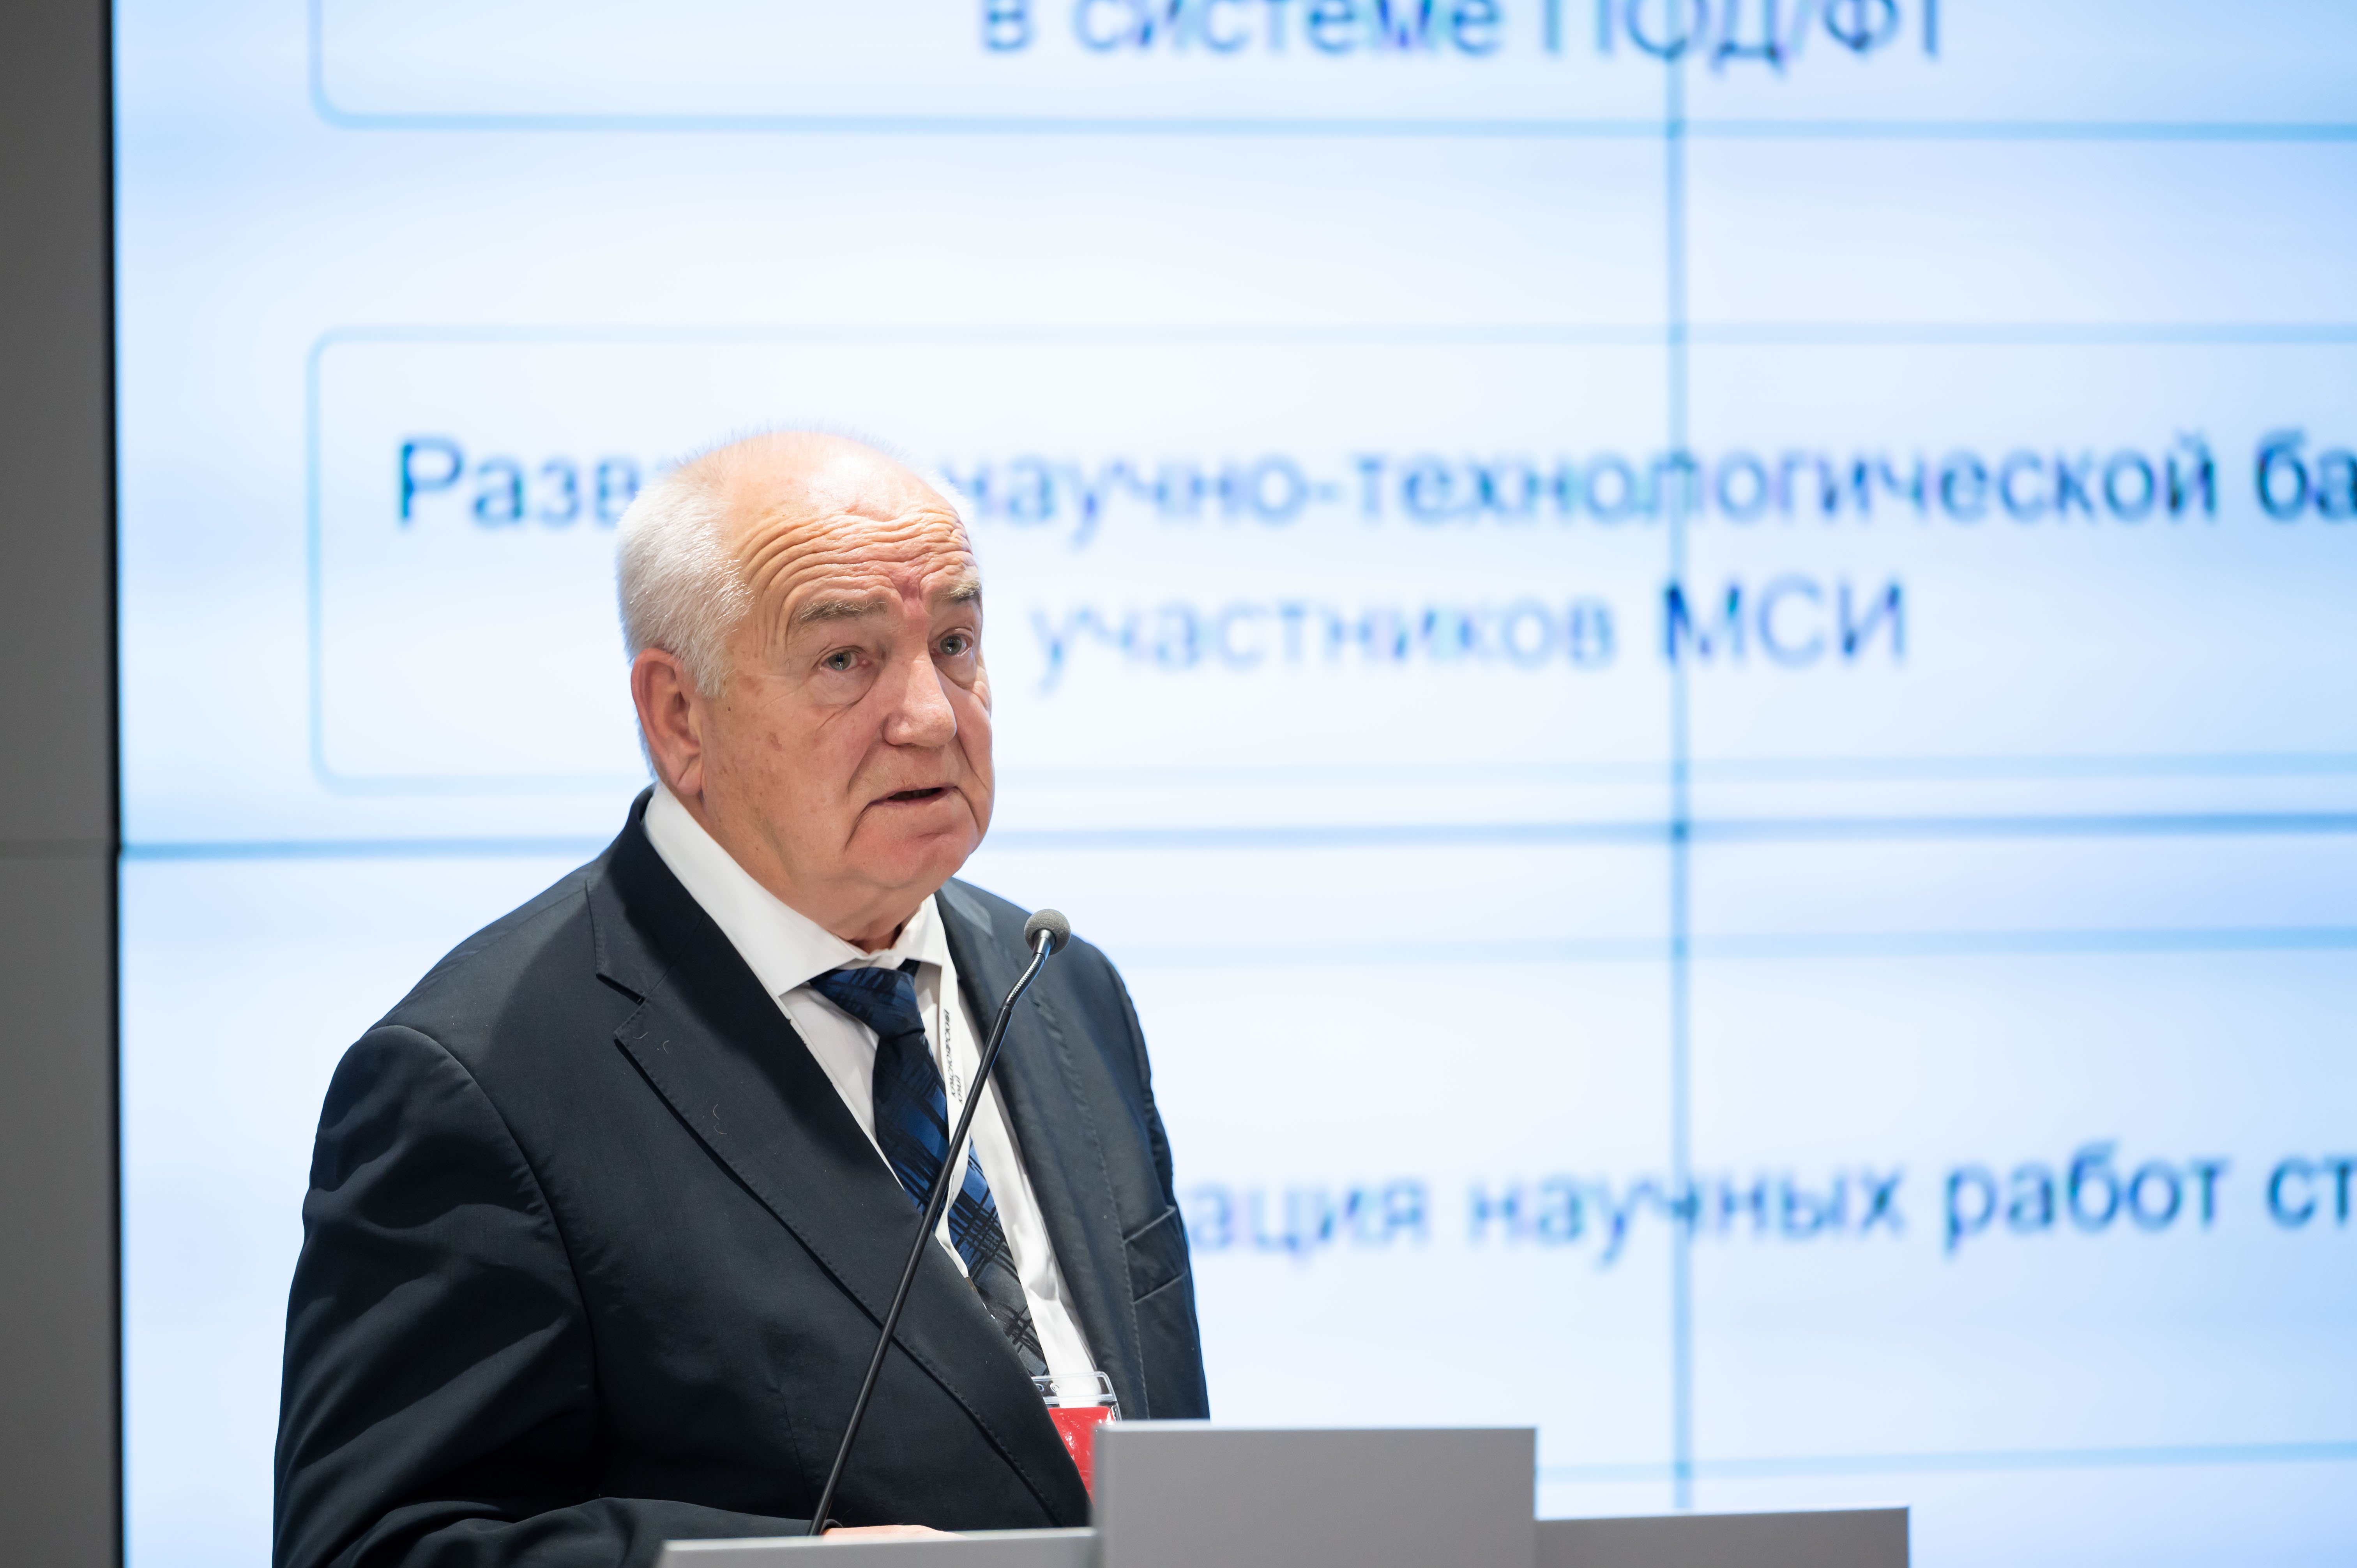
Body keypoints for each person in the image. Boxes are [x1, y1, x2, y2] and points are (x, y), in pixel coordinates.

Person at [274, 432, 1207, 1568]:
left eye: (955, 644)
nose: (931, 715)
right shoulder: (478, 1080)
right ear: (680, 716)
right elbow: (380, 1546)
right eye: (845, 660)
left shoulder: (1059, 983)